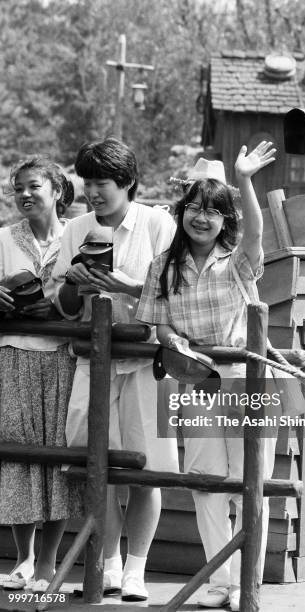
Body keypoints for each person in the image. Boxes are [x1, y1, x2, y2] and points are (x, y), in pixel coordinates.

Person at [137, 142, 277, 611]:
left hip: (245, 381)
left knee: (249, 480)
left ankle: (248, 586)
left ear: (224, 220)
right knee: (204, 482)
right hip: (195, 384)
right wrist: (170, 338)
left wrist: (245, 181)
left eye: (212, 211)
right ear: (182, 212)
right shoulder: (162, 266)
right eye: (194, 208)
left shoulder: (238, 259)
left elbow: (257, 231)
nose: (201, 218)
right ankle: (221, 583)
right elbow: (158, 321)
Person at [52, 137, 179, 602]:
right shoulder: (76, 228)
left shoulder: (159, 224)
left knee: (148, 467)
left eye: (101, 182)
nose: (92, 192)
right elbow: (63, 306)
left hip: (146, 362)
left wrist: (127, 285)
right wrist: (74, 284)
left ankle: (137, 571)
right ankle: (108, 563)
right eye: (87, 183)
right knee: (93, 464)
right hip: (91, 357)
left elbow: (176, 295)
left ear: (126, 182)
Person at [0, 156, 78, 592]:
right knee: (19, 456)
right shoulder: (2, 239)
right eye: (18, 188)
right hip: (13, 356)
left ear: (56, 190)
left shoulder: (78, 236)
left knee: (60, 456)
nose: (25, 195)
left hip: (66, 356)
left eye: (33, 186)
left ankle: (48, 562)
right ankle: (23, 558)